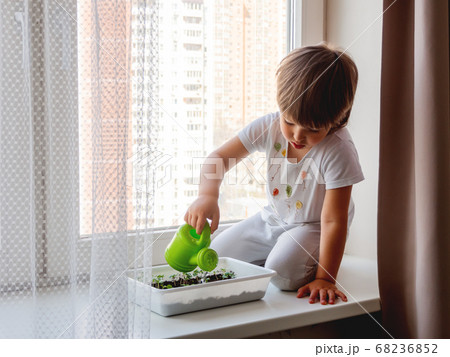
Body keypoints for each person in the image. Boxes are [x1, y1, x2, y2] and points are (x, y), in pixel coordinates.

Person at [184, 43, 363, 305]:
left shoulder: (338, 150)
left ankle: (310, 261)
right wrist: (206, 195)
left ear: (337, 120)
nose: (298, 135)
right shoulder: (269, 126)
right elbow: (219, 158)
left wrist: (325, 278)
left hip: (314, 228)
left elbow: (334, 221)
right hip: (273, 219)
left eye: (313, 128)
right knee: (217, 259)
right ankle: (275, 255)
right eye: (289, 121)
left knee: (283, 275)